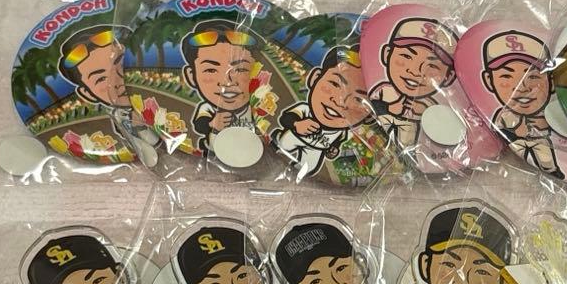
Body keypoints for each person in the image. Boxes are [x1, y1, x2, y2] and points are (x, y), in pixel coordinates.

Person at [271, 47, 370, 180]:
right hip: (296, 135)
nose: (340, 102)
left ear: (369, 115)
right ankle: (278, 137)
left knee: (309, 167)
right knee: (283, 143)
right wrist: (297, 124)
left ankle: (292, 175)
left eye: (358, 100)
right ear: (315, 78)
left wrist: (333, 149)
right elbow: (286, 118)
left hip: (316, 149)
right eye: (335, 84)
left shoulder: (344, 131)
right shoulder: (305, 109)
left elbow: (338, 141)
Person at [481, 31, 562, 179]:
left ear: (551, 80)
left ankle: (553, 169)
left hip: (542, 143)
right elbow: (500, 126)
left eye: (533, 76)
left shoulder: (553, 113)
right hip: (517, 143)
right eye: (507, 76)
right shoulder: (504, 115)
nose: (522, 87)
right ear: (488, 80)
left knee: (547, 162)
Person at [368, 18, 458, 150]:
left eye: (432, 65)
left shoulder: (434, 106)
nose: (416, 71)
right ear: (387, 54)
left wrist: (421, 112)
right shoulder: (383, 91)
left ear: (449, 76)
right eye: (407, 56)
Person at [181, 20, 259, 153]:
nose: (227, 81)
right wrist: (212, 124)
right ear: (191, 76)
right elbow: (200, 124)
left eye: (241, 69)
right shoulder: (208, 109)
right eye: (211, 70)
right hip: (211, 149)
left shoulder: (258, 107)